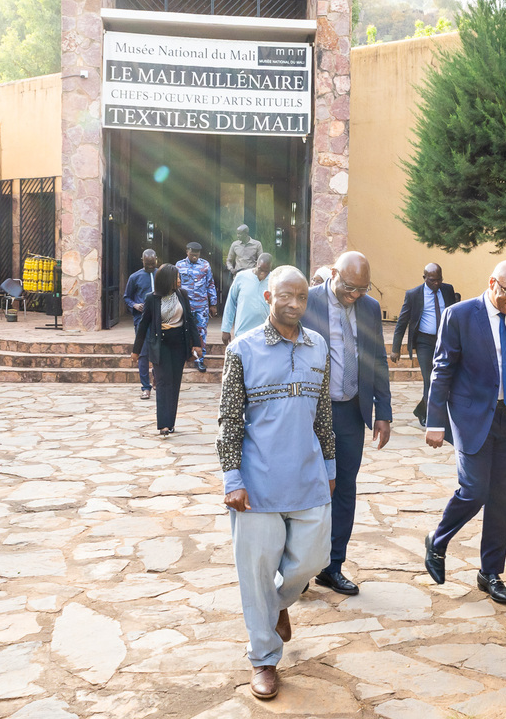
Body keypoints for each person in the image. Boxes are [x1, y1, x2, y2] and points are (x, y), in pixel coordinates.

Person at [216, 266, 335, 701]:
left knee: (312, 560)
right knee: (255, 573)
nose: (295, 304)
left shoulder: (317, 346)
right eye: (286, 296)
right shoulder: (243, 350)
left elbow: (323, 412)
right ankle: (264, 658)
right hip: (257, 483)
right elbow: (229, 419)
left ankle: (280, 603)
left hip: (308, 475)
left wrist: (331, 465)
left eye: (302, 297)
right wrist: (233, 478)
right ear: (268, 297)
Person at [422, 261, 506, 605]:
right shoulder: (460, 315)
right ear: (492, 283)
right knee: (474, 490)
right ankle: (437, 540)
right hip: (473, 417)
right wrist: (435, 421)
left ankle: (490, 573)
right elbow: (442, 370)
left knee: (499, 499)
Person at [302, 251, 392, 596]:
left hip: (353, 411)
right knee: (309, 489)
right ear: (333, 274)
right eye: (349, 288)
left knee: (344, 489)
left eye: (363, 289)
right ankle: (300, 569)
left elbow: (378, 359)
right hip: (312, 413)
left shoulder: (368, 307)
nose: (355, 296)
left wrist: (382, 410)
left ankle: (332, 566)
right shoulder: (307, 302)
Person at [131, 265, 204, 436]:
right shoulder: (152, 299)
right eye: (176, 277)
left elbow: (190, 320)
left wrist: (197, 344)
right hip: (160, 344)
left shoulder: (182, 295)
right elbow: (143, 327)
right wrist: (136, 350)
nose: (179, 280)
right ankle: (163, 424)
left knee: (174, 383)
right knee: (163, 383)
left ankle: (171, 422)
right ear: (166, 280)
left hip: (179, 344)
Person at [390, 263, 456, 426]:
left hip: (444, 340)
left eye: (439, 279)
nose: (436, 283)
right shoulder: (413, 295)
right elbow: (402, 322)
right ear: (424, 278)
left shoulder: (448, 290)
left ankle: (422, 409)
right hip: (424, 342)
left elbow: (454, 314)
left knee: (444, 377)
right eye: (432, 280)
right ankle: (431, 416)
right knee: (430, 379)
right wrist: (395, 349)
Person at [176, 242, 218, 372]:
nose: (194, 257)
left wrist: (213, 304)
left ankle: (200, 359)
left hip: (201, 305)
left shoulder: (205, 265)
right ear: (187, 252)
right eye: (192, 254)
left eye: (197, 255)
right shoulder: (179, 265)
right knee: (182, 330)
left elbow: (210, 284)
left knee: (201, 332)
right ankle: (183, 356)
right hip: (184, 305)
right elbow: (174, 284)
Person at [124, 250, 158, 400]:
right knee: (143, 354)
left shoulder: (161, 275)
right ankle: (146, 387)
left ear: (156, 260)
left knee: (159, 352)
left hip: (159, 320)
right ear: (142, 261)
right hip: (142, 321)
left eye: (152, 263)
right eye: (147, 263)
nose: (150, 266)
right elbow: (127, 297)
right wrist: (135, 305)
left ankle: (157, 379)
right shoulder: (134, 277)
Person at [222, 253, 274, 344]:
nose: (262, 273)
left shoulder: (274, 280)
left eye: (266, 271)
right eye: (260, 269)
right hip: (243, 332)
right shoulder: (241, 277)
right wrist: (226, 329)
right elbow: (231, 303)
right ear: (256, 265)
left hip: (265, 333)